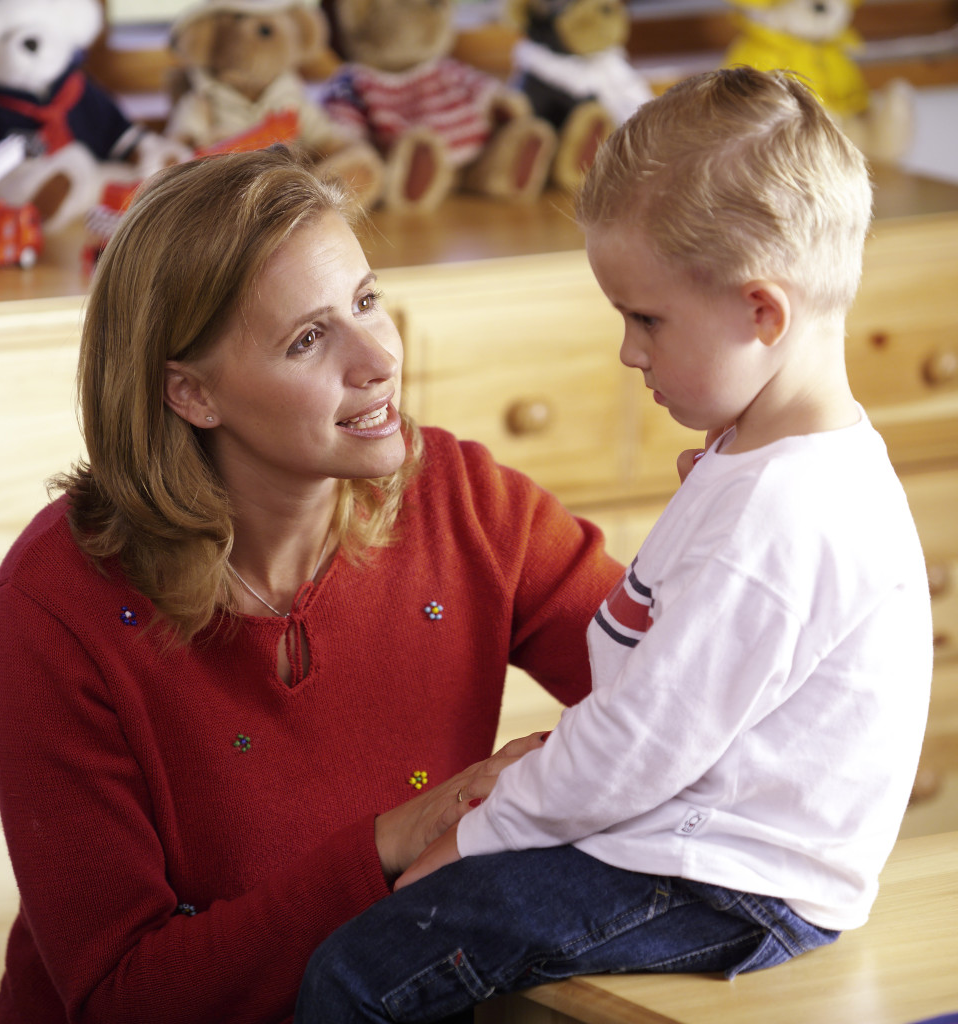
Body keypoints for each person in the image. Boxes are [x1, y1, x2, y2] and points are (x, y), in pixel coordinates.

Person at [293, 66, 934, 1023]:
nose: (629, 352)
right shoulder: (767, 467)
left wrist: (473, 836)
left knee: (358, 971)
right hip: (694, 837)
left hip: (725, 876)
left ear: (762, 313)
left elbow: (638, 745)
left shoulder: (782, 515)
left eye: (647, 319)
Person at [0, 146, 625, 1024]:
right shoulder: (56, 603)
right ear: (191, 395)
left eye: (367, 302)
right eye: (308, 338)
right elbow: (122, 996)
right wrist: (394, 841)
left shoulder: (467, 504)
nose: (377, 360)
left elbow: (683, 700)